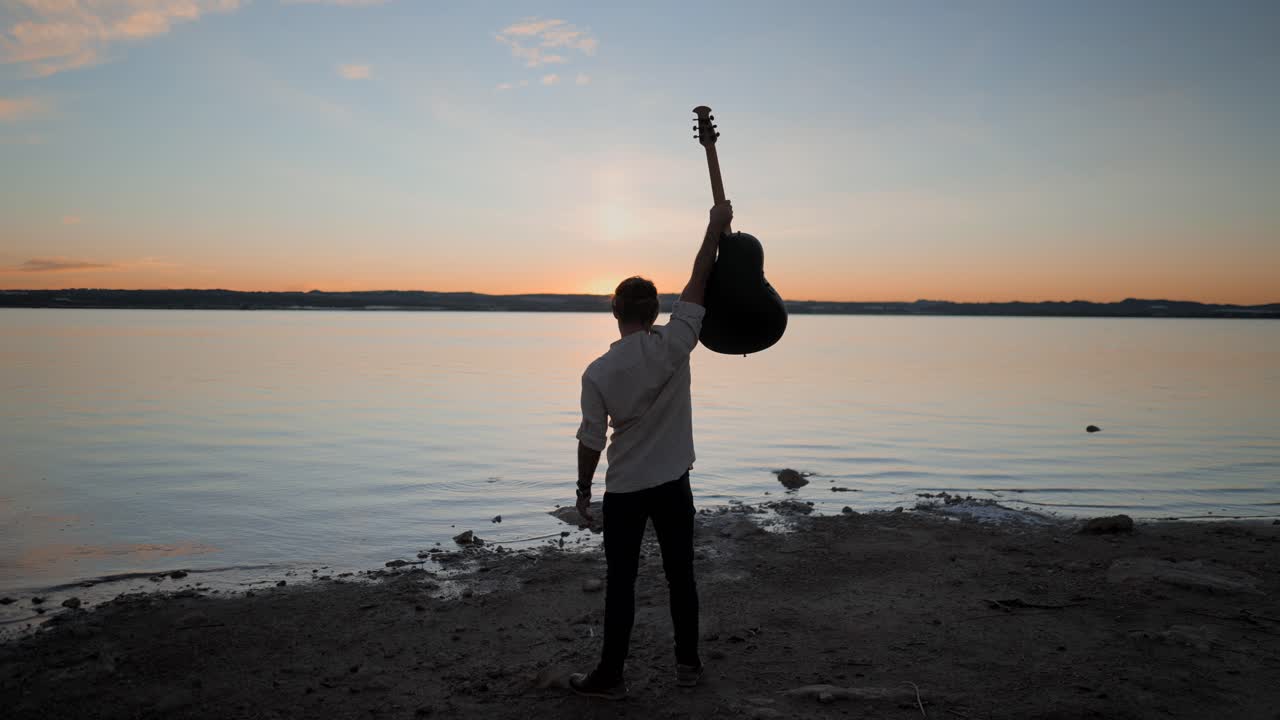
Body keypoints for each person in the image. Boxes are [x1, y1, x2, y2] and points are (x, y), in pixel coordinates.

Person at [569, 200, 733, 700]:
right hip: (671, 484)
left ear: (615, 312)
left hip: (624, 490)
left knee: (622, 582)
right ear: (655, 311)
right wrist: (714, 228)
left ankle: (611, 676)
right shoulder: (678, 341)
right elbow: (699, 275)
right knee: (680, 574)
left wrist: (582, 492)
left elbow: (592, 439)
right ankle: (687, 666)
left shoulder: (598, 372)